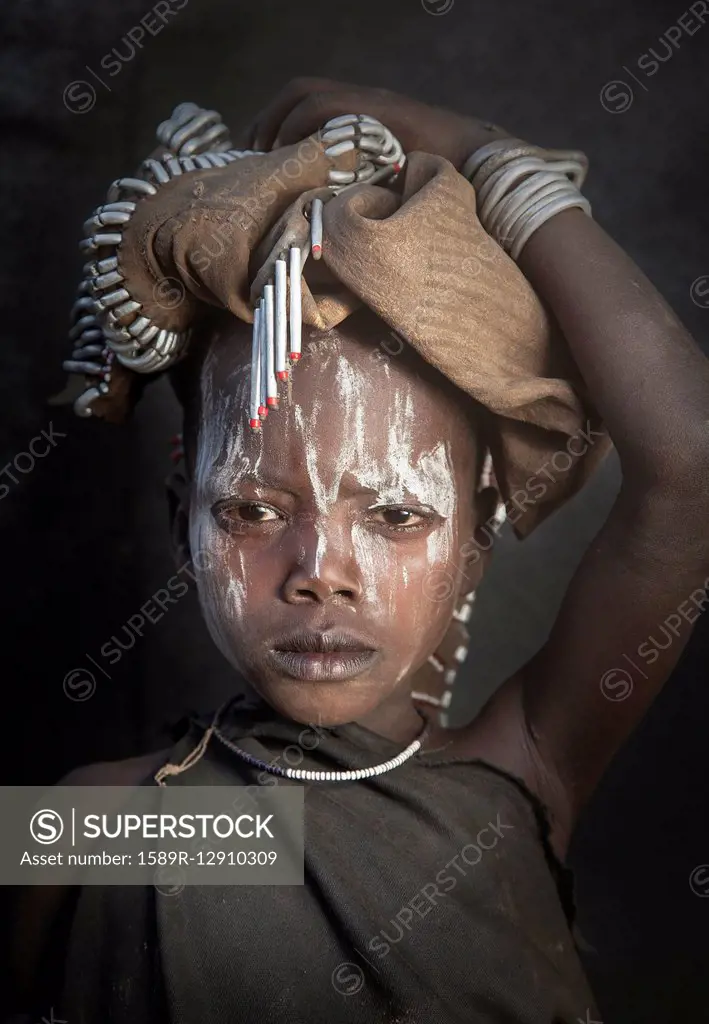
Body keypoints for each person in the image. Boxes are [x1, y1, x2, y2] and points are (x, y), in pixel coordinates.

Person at [10, 78, 709, 1024]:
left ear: (473, 548)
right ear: (184, 528)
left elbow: (690, 462)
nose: (319, 572)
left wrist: (483, 149)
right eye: (253, 511)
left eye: (395, 514)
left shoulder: (523, 774)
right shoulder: (99, 825)